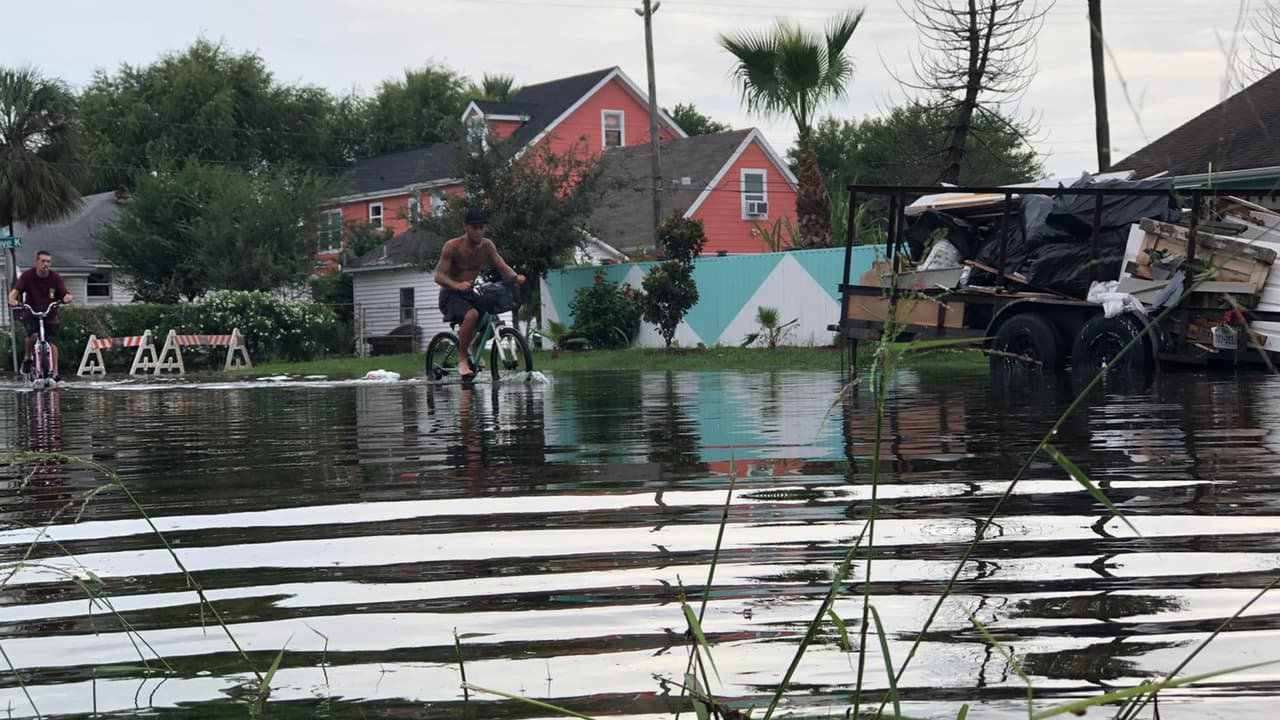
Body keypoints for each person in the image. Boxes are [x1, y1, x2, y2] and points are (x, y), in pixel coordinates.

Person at [434, 208, 525, 380]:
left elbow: (502, 266)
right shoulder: (452, 247)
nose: (479, 231)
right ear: (466, 227)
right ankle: (462, 360)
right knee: (472, 315)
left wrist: (514, 277)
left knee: (493, 320)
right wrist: (456, 285)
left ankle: (475, 346)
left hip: (470, 293)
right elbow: (438, 276)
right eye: (475, 227)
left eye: (482, 228)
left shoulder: (487, 246)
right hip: (450, 296)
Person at [7, 249, 73, 380]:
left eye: (48, 261)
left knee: (52, 343)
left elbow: (66, 293)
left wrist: (67, 298)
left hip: (49, 314)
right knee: (33, 335)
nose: (46, 264)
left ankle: (55, 374)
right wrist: (12, 300)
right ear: (37, 262)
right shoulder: (28, 276)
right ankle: (27, 357)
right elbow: (15, 291)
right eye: (43, 261)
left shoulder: (55, 278)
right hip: (31, 313)